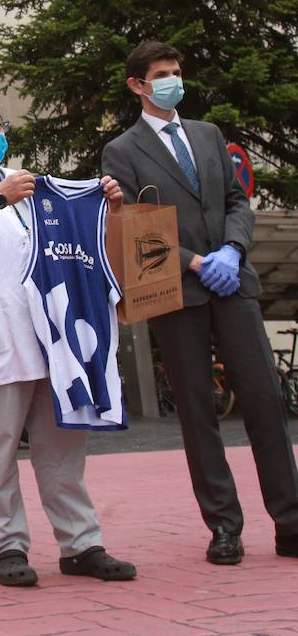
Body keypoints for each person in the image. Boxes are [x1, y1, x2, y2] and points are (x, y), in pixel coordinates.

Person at [0, 95, 135, 588]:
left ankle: (81, 544)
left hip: (52, 336)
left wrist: (109, 206)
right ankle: (8, 545)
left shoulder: (32, 183)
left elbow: (74, 241)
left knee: (63, 444)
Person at [103, 41, 298, 564]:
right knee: (197, 411)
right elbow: (134, 225)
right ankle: (225, 527)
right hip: (177, 291)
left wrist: (232, 252)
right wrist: (194, 261)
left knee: (264, 401)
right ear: (138, 86)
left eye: (176, 72)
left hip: (234, 285)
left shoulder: (208, 135)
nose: (173, 80)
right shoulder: (121, 151)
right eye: (161, 74)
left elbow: (238, 201)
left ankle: (291, 521)